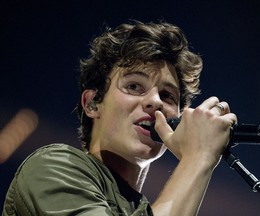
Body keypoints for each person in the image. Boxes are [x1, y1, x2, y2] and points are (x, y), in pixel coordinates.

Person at [2, 21, 237, 215]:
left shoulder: (144, 209)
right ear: (92, 104)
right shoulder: (52, 168)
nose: (155, 101)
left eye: (167, 95)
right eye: (134, 86)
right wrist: (198, 158)